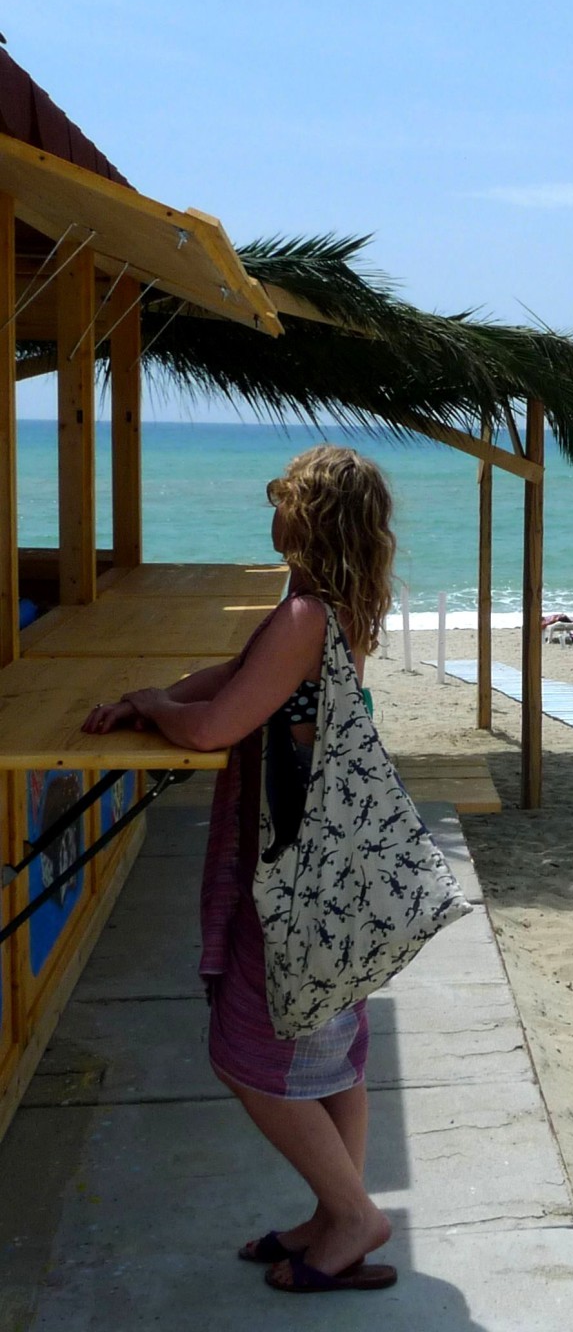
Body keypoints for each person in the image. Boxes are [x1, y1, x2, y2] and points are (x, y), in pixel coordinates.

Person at [80, 447, 407, 1291]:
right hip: (332, 870)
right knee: (332, 1046)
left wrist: (160, 711)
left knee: (248, 1052)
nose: (272, 510)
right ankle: (339, 1215)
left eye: (284, 499)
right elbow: (232, 679)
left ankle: (357, 1215)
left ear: (307, 517)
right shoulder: (321, 609)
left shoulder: (304, 619)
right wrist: (151, 697)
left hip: (296, 873)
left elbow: (212, 727)